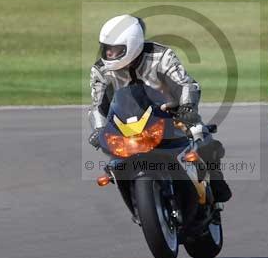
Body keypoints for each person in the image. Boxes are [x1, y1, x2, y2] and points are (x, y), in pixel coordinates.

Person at [88, 14, 232, 203]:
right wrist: (98, 129)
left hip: (169, 112)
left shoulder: (160, 56)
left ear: (133, 44)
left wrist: (187, 107)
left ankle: (215, 179)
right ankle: (138, 200)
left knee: (199, 132)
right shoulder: (100, 70)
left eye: (116, 50)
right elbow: (97, 105)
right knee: (115, 160)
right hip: (127, 121)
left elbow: (185, 83)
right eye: (106, 50)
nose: (109, 55)